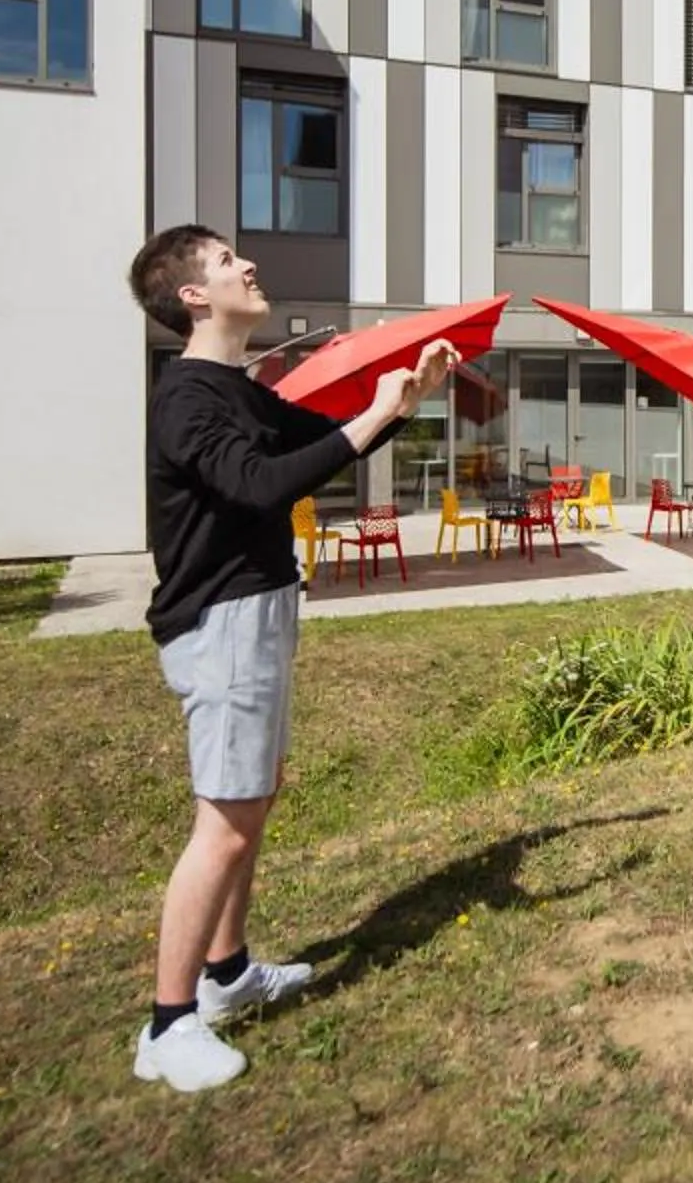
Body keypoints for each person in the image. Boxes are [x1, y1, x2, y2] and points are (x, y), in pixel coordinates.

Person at [125, 224, 458, 1090]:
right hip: (222, 621)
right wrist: (378, 414)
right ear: (194, 294)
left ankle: (229, 974)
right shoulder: (189, 399)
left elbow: (318, 442)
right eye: (229, 260)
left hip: (260, 610)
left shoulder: (234, 388)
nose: (248, 265)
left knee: (253, 799)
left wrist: (404, 400)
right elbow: (261, 484)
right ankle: (168, 1025)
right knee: (225, 821)